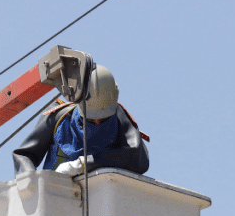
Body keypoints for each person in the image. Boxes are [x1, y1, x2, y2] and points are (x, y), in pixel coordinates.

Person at [12, 65, 149, 176]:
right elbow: (24, 155)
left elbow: (137, 158)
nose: (97, 122)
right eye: (90, 118)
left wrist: (83, 164)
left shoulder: (119, 117)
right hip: (54, 198)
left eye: (103, 118)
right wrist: (30, 183)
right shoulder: (58, 116)